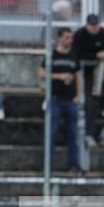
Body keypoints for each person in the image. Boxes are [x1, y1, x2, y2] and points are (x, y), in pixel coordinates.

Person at [41, 27, 82, 172]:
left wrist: (78, 95)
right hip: (55, 100)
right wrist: (60, 76)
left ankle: (73, 164)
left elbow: (78, 76)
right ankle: (46, 166)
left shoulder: (73, 56)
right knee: (51, 133)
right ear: (59, 38)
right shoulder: (51, 55)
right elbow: (42, 74)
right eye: (66, 37)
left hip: (70, 101)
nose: (69, 40)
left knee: (73, 134)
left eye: (71, 38)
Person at [73, 13, 104, 147]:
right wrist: (95, 55)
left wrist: (100, 56)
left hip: (97, 68)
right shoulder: (79, 35)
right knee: (87, 100)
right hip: (82, 70)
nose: (94, 28)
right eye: (92, 25)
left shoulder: (103, 34)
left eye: (96, 25)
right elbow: (77, 53)